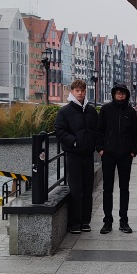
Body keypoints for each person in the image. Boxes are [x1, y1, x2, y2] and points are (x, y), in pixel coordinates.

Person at [54, 78, 98, 234]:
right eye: (77, 91)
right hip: (73, 155)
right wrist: (74, 142)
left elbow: (97, 130)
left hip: (88, 155)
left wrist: (95, 145)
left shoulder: (91, 111)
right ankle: (74, 223)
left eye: (83, 91)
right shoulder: (64, 111)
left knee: (87, 189)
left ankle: (85, 221)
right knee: (75, 189)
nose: (80, 93)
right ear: (72, 92)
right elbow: (59, 130)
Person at [95, 83, 137, 235]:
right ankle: (107, 221)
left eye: (123, 93)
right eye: (118, 93)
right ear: (114, 94)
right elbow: (99, 130)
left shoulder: (131, 111)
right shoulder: (106, 109)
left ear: (126, 95)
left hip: (126, 155)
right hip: (108, 154)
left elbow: (135, 133)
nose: (120, 95)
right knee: (107, 188)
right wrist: (100, 149)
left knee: (124, 188)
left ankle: (124, 221)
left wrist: (133, 150)